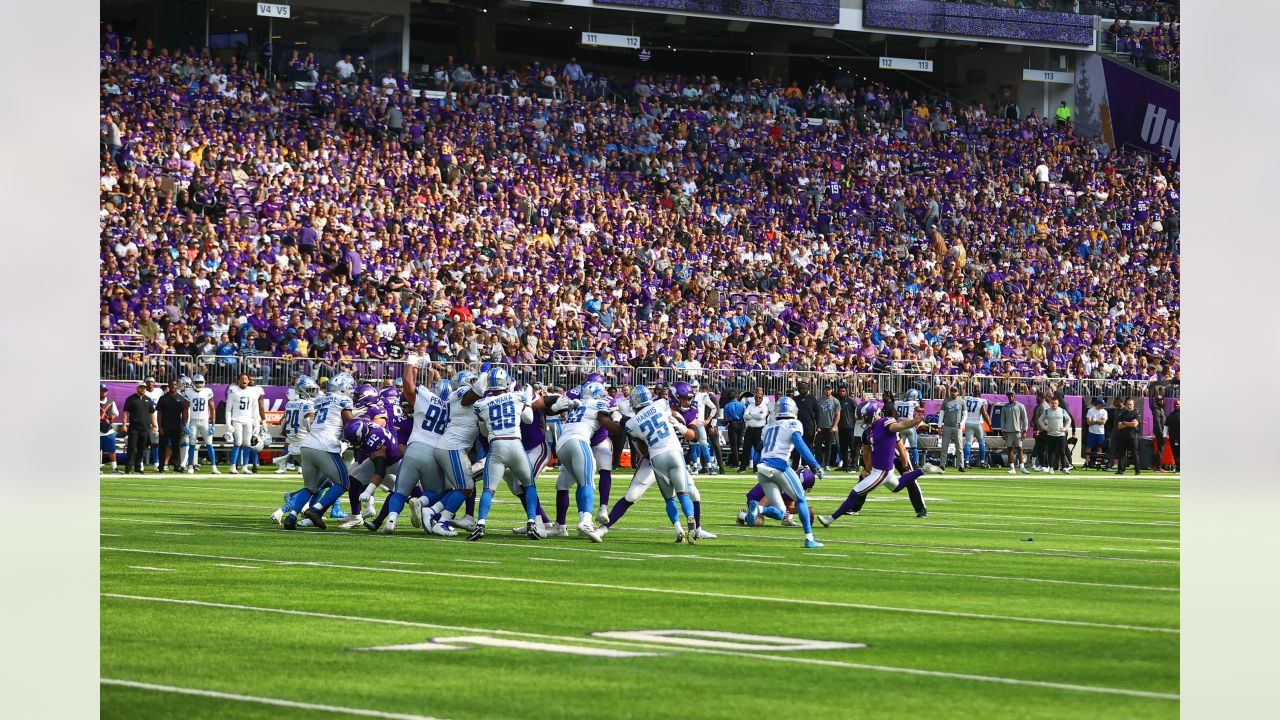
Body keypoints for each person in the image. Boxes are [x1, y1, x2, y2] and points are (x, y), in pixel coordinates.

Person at [599, 385, 700, 543]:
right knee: (684, 493)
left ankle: (689, 528)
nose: (685, 402)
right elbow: (693, 434)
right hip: (673, 453)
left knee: (681, 496)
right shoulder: (663, 405)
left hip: (658, 456)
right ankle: (686, 526)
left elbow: (641, 445)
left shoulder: (636, 421)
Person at [819, 398, 928, 526]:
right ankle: (924, 470)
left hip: (889, 463)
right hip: (880, 466)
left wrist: (917, 420)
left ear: (871, 414)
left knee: (856, 491)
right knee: (896, 486)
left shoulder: (885, 423)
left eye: (864, 417)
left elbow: (900, 431)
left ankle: (830, 519)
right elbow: (866, 452)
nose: (863, 420)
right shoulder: (868, 431)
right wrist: (867, 469)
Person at [743, 397, 825, 549]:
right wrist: (816, 466)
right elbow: (800, 445)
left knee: (781, 513)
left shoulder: (768, 426)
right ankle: (809, 539)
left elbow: (758, 450)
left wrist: (757, 464)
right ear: (793, 410)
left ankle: (759, 508)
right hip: (778, 465)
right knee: (800, 499)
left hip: (762, 469)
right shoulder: (793, 424)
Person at [468, 368, 539, 541]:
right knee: (529, 485)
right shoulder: (517, 396)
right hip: (515, 444)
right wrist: (528, 401)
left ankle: (481, 524)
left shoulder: (481, 404)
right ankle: (531, 522)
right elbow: (528, 419)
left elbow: (484, 432)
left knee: (489, 489)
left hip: (497, 446)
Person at [280, 373, 356, 530]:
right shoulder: (344, 400)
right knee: (343, 482)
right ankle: (315, 510)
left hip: (307, 444)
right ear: (343, 388)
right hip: (325, 445)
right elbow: (350, 426)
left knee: (310, 486)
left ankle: (291, 517)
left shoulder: (320, 399)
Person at [546, 380, 619, 542]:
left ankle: (560, 526)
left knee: (564, 484)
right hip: (578, 441)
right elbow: (609, 425)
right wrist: (619, 421)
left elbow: (552, 410)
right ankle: (586, 522)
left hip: (562, 444)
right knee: (587, 482)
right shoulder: (599, 403)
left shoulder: (577, 403)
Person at [276, 376, 318, 474]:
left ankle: (284, 465)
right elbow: (308, 422)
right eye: (310, 389)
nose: (313, 392)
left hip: (292, 443)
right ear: (302, 390)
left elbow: (283, 423)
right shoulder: (308, 404)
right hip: (305, 443)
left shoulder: (290, 404)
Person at [226, 373, 264, 474]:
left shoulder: (253, 392)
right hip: (237, 419)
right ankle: (233, 466)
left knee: (247, 444)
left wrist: (257, 424)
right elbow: (228, 409)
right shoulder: (233, 390)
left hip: (248, 420)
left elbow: (255, 410)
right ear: (238, 380)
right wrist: (228, 423)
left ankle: (245, 467)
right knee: (238, 442)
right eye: (242, 378)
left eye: (246, 378)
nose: (244, 380)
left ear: (248, 381)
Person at [182, 374, 217, 473]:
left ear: (204, 382)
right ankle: (190, 466)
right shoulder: (188, 392)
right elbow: (185, 410)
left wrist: (213, 424)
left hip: (205, 421)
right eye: (197, 382)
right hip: (193, 421)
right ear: (193, 383)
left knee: (209, 443)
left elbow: (212, 408)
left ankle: (214, 467)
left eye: (200, 382)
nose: (198, 384)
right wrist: (185, 424)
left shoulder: (207, 391)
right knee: (192, 443)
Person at [121, 381, 155, 473]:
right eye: (141, 387)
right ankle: (128, 468)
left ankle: (138, 467)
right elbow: (125, 412)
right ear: (137, 388)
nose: (143, 389)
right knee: (132, 448)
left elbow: (152, 413)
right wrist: (124, 424)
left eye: (144, 387)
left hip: (145, 428)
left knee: (142, 448)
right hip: (134, 428)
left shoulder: (148, 399)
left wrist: (155, 425)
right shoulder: (131, 399)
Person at [155, 379, 188, 472]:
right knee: (162, 447)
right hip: (165, 427)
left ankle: (176, 466)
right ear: (168, 386)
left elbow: (184, 414)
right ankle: (161, 466)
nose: (173, 386)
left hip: (177, 427)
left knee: (176, 447)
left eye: (175, 384)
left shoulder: (181, 398)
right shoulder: (163, 398)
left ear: (177, 386)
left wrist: (183, 426)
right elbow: (159, 413)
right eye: (171, 384)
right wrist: (159, 426)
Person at [1037, 396, 1071, 474]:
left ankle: (1064, 468)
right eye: (1052, 403)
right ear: (1050, 403)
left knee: (1062, 452)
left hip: (1061, 435)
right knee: (1051, 452)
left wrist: (1066, 428)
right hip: (1051, 435)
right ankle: (1051, 468)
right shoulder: (1047, 411)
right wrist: (1045, 428)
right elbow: (1040, 420)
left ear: (1058, 403)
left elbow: (1069, 419)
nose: (1054, 404)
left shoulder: (1062, 411)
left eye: (1055, 403)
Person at [740, 386, 770, 471]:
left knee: (758, 450)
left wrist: (751, 415)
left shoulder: (764, 406)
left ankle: (756, 468)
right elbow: (744, 415)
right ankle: (742, 468)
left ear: (762, 398)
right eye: (756, 397)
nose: (757, 399)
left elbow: (761, 417)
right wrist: (755, 415)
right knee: (746, 449)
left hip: (759, 430)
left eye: (759, 398)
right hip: (750, 429)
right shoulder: (750, 405)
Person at [1000, 391, 1029, 474]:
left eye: (1012, 396)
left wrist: (1025, 430)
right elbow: (1002, 420)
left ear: (1014, 396)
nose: (1010, 397)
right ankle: (1012, 468)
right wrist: (1003, 431)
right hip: (1008, 431)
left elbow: (1025, 419)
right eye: (1009, 396)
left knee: (1019, 448)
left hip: (1017, 431)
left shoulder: (1020, 406)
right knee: (1009, 449)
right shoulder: (1005, 407)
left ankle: (1022, 467)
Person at [893, 388, 922, 469]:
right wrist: (921, 400)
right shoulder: (914, 403)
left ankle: (901, 464)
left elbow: (894, 416)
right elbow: (922, 411)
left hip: (901, 427)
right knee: (914, 447)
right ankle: (916, 464)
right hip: (910, 427)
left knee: (901, 448)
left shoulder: (897, 403)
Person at [792, 382, 820, 470]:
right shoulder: (794, 399)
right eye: (801, 388)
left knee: (808, 447)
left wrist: (818, 425)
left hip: (809, 427)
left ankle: (808, 466)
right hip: (796, 427)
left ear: (808, 389)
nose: (803, 390)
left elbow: (818, 413)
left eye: (805, 388)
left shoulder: (812, 399)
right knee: (796, 448)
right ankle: (794, 467)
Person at [939, 386, 966, 472]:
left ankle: (961, 465)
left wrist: (961, 424)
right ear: (950, 392)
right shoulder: (946, 401)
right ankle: (942, 465)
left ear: (958, 392)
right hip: (947, 426)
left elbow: (965, 414)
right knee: (944, 447)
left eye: (955, 391)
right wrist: (940, 426)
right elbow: (941, 414)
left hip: (957, 426)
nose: (953, 393)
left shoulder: (961, 401)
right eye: (952, 391)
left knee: (959, 447)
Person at [963, 387, 991, 468]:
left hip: (968, 423)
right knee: (981, 443)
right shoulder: (981, 401)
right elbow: (984, 413)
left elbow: (963, 396)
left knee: (968, 443)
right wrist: (990, 424)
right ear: (980, 395)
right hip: (978, 424)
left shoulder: (967, 398)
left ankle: (966, 462)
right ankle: (982, 462)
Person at [1113, 397, 1142, 475]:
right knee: (1122, 454)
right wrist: (1130, 424)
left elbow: (1135, 424)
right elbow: (1119, 426)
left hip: (1133, 437)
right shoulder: (1122, 413)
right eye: (1128, 404)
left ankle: (1137, 470)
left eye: (1131, 404)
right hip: (1123, 437)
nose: (1129, 406)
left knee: (1135, 454)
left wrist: (1125, 423)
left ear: (1133, 405)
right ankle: (1121, 470)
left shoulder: (1136, 413)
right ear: (1126, 405)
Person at [816, 386, 841, 470]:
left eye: (829, 389)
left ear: (831, 390)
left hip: (830, 427)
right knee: (818, 446)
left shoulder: (835, 401)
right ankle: (818, 464)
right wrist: (817, 426)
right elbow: (816, 413)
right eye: (826, 389)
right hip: (821, 427)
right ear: (824, 390)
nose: (827, 391)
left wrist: (834, 426)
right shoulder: (819, 400)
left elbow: (838, 415)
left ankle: (826, 464)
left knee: (828, 447)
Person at [722, 391, 747, 470]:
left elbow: (725, 419)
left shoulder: (727, 406)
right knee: (739, 444)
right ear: (737, 396)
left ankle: (735, 463)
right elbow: (745, 416)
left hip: (732, 424)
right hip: (741, 424)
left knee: (733, 445)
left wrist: (724, 423)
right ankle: (739, 462)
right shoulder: (742, 405)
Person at [142, 376, 163, 471]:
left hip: (156, 419)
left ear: (154, 383)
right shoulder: (143, 392)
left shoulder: (159, 392)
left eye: (152, 381)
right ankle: (140, 463)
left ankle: (156, 463)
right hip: (145, 419)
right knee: (142, 442)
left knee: (156, 443)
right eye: (148, 382)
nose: (150, 383)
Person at [836, 385, 859, 471]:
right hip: (841, 427)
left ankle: (854, 465)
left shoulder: (850, 400)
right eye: (840, 391)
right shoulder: (837, 401)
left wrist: (855, 422)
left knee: (853, 447)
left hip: (850, 427)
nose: (842, 392)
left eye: (843, 391)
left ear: (846, 392)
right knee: (843, 447)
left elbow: (858, 410)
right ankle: (845, 464)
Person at [100, 384, 121, 473]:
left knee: (111, 450)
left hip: (108, 430)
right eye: (102, 390)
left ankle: (114, 468)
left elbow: (116, 413)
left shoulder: (111, 402)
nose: (104, 392)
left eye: (105, 390)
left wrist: (112, 417)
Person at [1084, 397, 1109, 469]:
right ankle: (1086, 462)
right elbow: (1088, 422)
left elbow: (1103, 422)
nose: (1103, 406)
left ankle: (1099, 462)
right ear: (1098, 404)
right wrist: (1098, 421)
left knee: (1100, 447)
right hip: (1091, 432)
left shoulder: (1104, 412)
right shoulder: (1090, 411)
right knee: (1089, 447)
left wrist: (1094, 421)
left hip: (1100, 432)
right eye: (1102, 405)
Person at [1148, 384, 1168, 472]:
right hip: (1160, 433)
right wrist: (1163, 434)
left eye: (1162, 401)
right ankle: (1158, 466)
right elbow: (1158, 424)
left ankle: (1153, 464)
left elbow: (1164, 423)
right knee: (1160, 449)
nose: (1162, 402)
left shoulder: (1160, 410)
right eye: (1160, 401)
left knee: (1160, 449)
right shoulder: (1156, 411)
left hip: (1162, 432)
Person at [1165, 399, 1180, 471]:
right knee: (1176, 452)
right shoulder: (1170, 415)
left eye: (1178, 404)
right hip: (1174, 438)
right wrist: (1165, 436)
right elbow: (1166, 426)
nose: (1177, 405)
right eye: (1176, 404)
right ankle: (1178, 467)